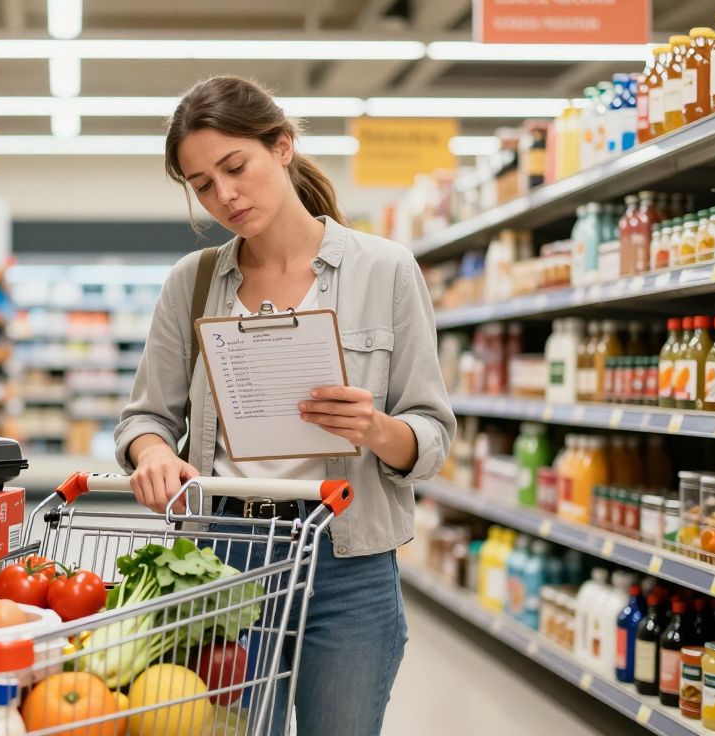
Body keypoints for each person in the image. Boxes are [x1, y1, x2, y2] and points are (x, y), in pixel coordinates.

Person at [114, 75, 455, 735]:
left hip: (348, 562)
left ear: (282, 147)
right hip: (221, 558)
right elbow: (145, 418)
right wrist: (152, 453)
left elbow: (433, 435)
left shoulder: (384, 270)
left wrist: (379, 430)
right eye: (203, 184)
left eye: (235, 167)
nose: (225, 196)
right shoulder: (193, 283)